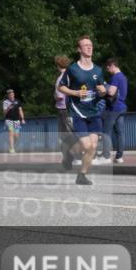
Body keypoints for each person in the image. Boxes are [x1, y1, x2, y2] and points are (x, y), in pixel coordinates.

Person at [57, 36, 107, 185]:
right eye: (85, 45)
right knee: (86, 146)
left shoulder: (98, 70)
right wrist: (75, 93)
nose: (89, 47)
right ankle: (69, 152)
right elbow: (61, 87)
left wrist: (103, 91)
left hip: (94, 112)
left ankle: (82, 175)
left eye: (90, 45)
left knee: (93, 146)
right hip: (77, 112)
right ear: (79, 49)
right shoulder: (73, 69)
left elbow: (102, 89)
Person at [100, 57, 128, 164]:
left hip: (113, 107)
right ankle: (119, 157)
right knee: (120, 133)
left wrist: (104, 88)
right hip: (122, 106)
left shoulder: (115, 77)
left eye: (108, 68)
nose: (108, 71)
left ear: (112, 66)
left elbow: (111, 92)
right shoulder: (123, 77)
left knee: (106, 132)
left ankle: (106, 156)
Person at [54, 55, 79, 167]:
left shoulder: (60, 79)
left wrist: (55, 96)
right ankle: (72, 157)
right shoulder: (72, 76)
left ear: (58, 65)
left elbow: (60, 97)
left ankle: (71, 157)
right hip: (74, 108)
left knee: (64, 136)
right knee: (73, 133)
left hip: (63, 109)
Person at [2, 88, 25, 154]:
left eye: (12, 94)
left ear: (14, 94)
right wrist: (8, 108)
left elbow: (20, 110)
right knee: (11, 132)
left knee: (16, 135)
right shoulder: (5, 102)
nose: (11, 95)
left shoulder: (17, 101)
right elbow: (4, 113)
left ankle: (12, 146)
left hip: (17, 120)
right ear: (8, 95)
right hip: (9, 120)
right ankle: (12, 148)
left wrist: (22, 119)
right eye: (9, 94)